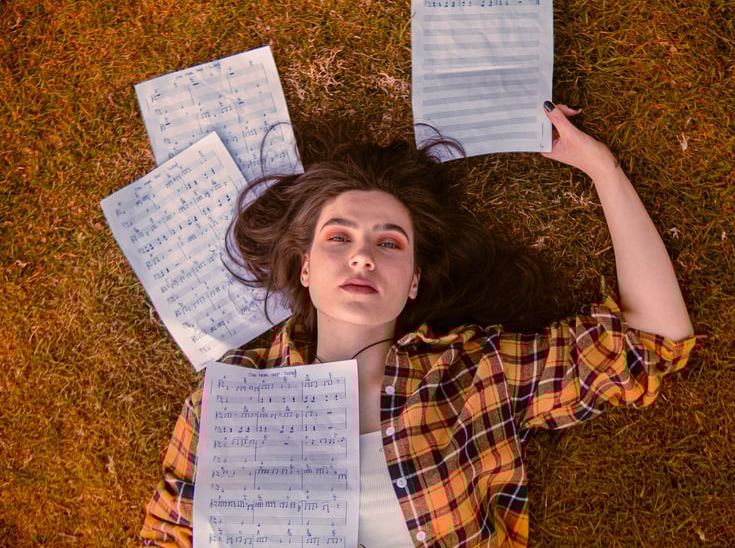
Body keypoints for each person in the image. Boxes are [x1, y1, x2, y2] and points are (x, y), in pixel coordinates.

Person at [140, 103, 695, 547]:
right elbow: (166, 535)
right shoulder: (230, 397)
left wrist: (604, 170)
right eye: (338, 237)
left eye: (389, 242)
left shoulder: (476, 374)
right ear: (305, 268)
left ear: (412, 281)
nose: (362, 257)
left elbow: (653, 339)